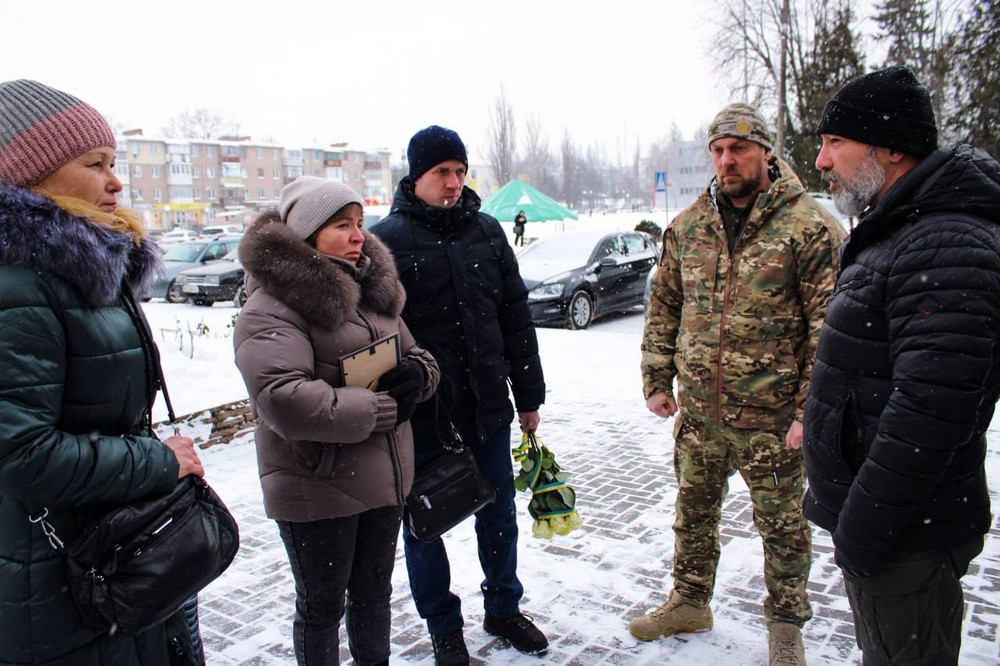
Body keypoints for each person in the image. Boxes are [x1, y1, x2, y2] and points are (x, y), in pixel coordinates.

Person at [0, 79, 206, 664]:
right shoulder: (17, 285)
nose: (116, 181)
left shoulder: (77, 271)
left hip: (111, 560)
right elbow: (19, 455)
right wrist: (159, 461)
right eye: (96, 164)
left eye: (115, 163)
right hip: (59, 586)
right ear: (28, 175)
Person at [634, 103, 846, 666]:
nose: (727, 161)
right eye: (719, 151)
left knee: (783, 529)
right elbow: (664, 307)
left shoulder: (809, 227)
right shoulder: (688, 226)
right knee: (693, 515)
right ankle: (689, 600)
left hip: (775, 419)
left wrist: (808, 411)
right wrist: (657, 377)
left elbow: (829, 333)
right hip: (700, 415)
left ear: (766, 153)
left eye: (739, 150)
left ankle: (784, 624)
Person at [805, 66, 1000, 666]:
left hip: (904, 535)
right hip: (890, 529)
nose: (820, 161)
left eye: (835, 142)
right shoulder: (901, 229)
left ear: (891, 147)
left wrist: (863, 532)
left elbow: (931, 411)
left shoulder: (946, 242)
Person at [233, 176, 440, 666]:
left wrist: (419, 376)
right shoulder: (271, 307)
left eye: (360, 224)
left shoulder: (370, 289)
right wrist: (382, 409)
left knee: (373, 598)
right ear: (307, 236)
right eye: (342, 226)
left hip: (384, 480)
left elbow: (419, 355)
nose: (358, 236)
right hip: (317, 485)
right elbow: (282, 398)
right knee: (322, 608)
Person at [371, 125, 548, 665]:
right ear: (416, 176)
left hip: (488, 406)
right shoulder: (386, 241)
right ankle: (444, 628)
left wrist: (529, 395)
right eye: (440, 173)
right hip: (424, 417)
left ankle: (503, 607)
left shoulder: (489, 233)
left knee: (499, 515)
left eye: (459, 171)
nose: (452, 183)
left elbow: (515, 318)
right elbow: (372, 331)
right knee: (425, 525)